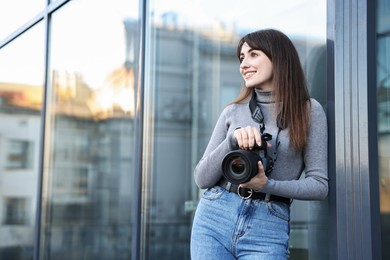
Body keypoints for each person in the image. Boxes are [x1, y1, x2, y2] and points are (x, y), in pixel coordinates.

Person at [190, 29, 328, 260]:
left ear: (278, 57)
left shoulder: (309, 111)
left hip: (269, 224)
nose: (244, 64)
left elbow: (319, 186)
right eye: (241, 57)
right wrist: (232, 140)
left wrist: (267, 185)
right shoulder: (232, 112)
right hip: (214, 216)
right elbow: (202, 178)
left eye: (253, 54)